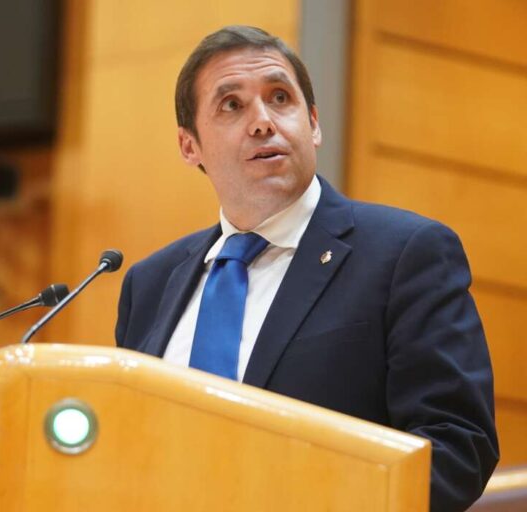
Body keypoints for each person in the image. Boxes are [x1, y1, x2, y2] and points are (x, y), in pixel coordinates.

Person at [115, 26, 498, 512]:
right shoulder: (149, 285)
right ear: (189, 145)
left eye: (280, 98)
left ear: (313, 123)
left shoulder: (405, 253)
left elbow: (456, 445)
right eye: (231, 105)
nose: (262, 122)